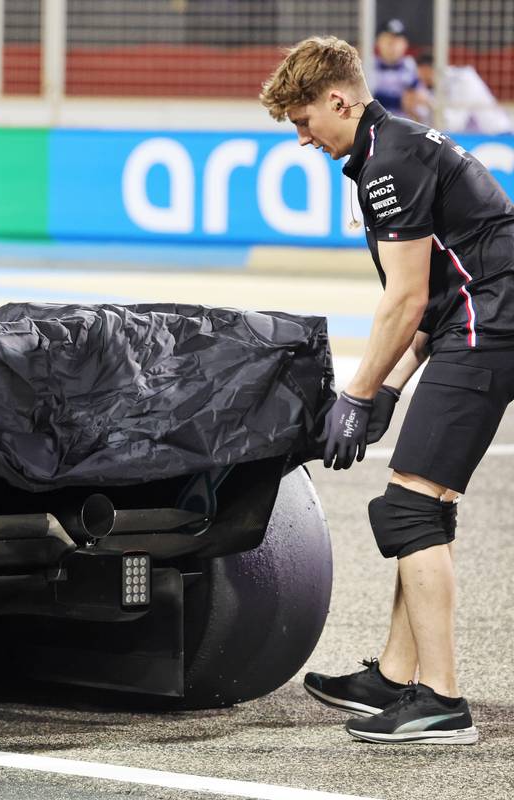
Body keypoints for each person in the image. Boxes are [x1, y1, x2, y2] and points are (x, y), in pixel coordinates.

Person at [260, 35, 514, 745]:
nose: (303, 139)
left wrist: (360, 394)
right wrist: (395, 387)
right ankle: (398, 676)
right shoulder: (391, 147)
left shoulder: (388, 163)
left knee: (407, 507)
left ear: (339, 99)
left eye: (306, 121)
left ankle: (441, 700)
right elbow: (436, 294)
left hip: (489, 328)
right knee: (424, 501)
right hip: (482, 320)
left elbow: (405, 301)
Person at [372, 18, 429, 120]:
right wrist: (399, 101)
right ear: (378, 42)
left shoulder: (410, 66)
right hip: (376, 126)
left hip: (405, 126)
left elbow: (420, 101)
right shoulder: (367, 66)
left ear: (405, 44)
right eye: (388, 40)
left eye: (397, 41)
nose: (392, 45)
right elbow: (367, 100)